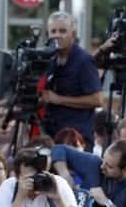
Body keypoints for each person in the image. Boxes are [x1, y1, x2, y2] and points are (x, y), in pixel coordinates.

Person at [41, 11, 104, 144]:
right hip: (52, 133)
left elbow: (97, 99)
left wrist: (58, 99)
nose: (57, 35)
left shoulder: (83, 60)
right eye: (53, 31)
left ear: (73, 35)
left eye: (62, 31)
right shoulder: (48, 59)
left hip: (77, 138)